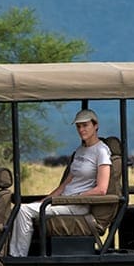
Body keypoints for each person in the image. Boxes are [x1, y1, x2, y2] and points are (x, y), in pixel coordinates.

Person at [8, 108, 112, 255]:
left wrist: (76, 197)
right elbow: (65, 184)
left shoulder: (101, 151)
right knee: (23, 208)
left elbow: (102, 189)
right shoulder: (80, 150)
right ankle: (15, 254)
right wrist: (46, 200)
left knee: (23, 210)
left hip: (78, 205)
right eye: (78, 126)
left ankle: (18, 257)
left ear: (95, 125)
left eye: (85, 125)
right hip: (65, 201)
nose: (81, 129)